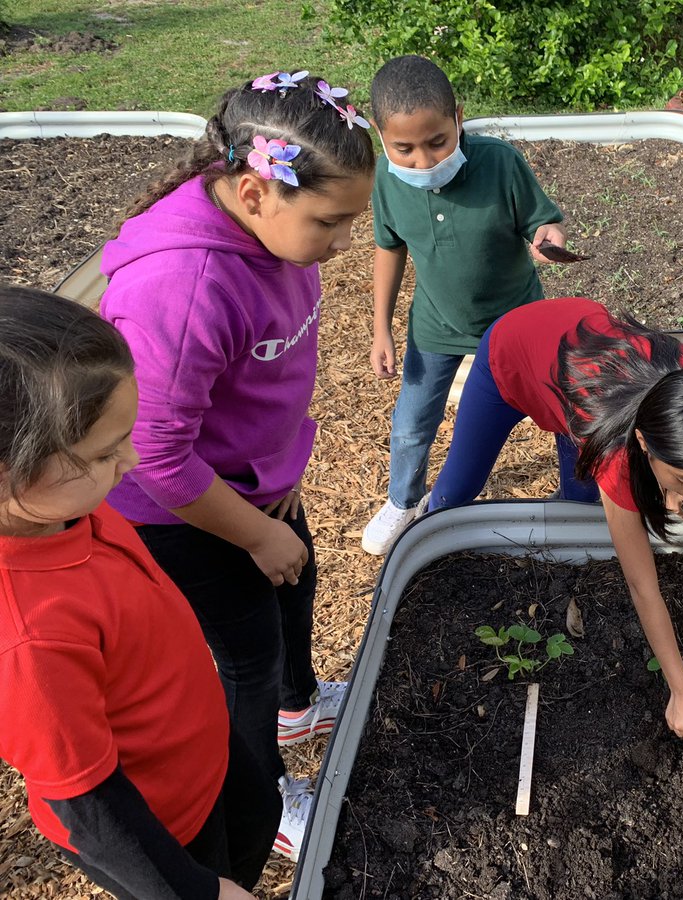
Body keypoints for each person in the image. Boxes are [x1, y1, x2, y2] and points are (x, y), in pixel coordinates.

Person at [99, 70, 375, 860]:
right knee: (242, 660)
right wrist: (254, 534)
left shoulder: (269, 230)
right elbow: (153, 451)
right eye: (330, 222)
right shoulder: (182, 287)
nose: (343, 242)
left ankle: (301, 705)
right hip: (183, 513)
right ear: (255, 193)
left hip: (257, 481)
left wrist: (271, 515)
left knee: (297, 588)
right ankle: (266, 791)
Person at [0, 286, 280, 899]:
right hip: (164, 825)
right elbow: (88, 806)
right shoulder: (30, 636)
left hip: (199, 747)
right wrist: (195, 890)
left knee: (258, 821)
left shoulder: (57, 508)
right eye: (103, 453)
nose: (130, 460)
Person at [427, 297, 683, 740]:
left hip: (580, 371)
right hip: (512, 355)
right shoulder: (618, 453)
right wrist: (680, 688)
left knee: (579, 500)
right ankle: (427, 539)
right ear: (643, 442)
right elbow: (642, 585)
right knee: (457, 489)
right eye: (681, 481)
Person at [360, 54, 568, 557]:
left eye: (437, 142)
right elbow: (389, 249)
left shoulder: (499, 163)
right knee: (411, 423)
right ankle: (403, 501)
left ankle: (574, 498)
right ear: (379, 135)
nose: (424, 161)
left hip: (516, 320)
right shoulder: (388, 180)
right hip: (436, 323)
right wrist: (381, 328)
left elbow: (543, 222)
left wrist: (548, 237)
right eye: (404, 148)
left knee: (562, 407)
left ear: (458, 116)